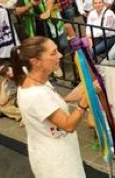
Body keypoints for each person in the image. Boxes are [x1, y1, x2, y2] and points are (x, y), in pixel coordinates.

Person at [12, 36, 90, 178]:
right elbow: (68, 125)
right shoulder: (37, 94)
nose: (60, 55)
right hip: (57, 162)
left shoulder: (32, 80)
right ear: (36, 62)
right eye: (53, 53)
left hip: (50, 151)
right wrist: (85, 101)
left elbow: (45, 108)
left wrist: (68, 97)